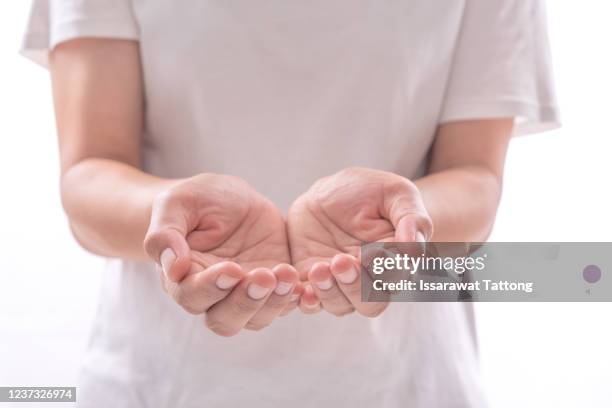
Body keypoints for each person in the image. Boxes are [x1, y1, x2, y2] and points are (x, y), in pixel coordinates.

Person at [21, 0, 559, 406]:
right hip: (158, 382)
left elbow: (476, 181)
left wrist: (403, 225)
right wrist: (168, 210)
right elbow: (88, 177)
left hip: (406, 384)